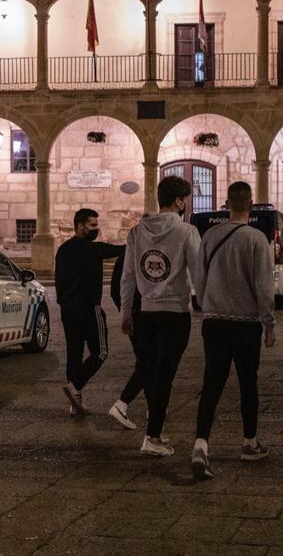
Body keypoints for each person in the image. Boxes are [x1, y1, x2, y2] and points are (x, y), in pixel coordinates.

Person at [189, 181, 277, 480]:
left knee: (212, 383)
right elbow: (265, 287)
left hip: (214, 321)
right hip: (245, 324)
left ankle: (201, 444)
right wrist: (269, 323)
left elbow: (198, 280)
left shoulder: (209, 236)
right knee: (247, 383)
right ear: (250, 205)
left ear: (227, 204)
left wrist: (207, 304)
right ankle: (249, 443)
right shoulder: (257, 239)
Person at [120, 175, 201, 457]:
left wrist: (126, 312)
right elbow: (199, 275)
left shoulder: (136, 232)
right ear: (179, 201)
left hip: (145, 312)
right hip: (175, 312)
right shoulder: (187, 233)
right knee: (163, 375)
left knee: (152, 371)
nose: (186, 205)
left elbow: (128, 276)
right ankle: (152, 436)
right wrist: (206, 305)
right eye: (185, 201)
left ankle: (153, 429)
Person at [54, 208, 125, 415]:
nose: (96, 229)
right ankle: (75, 385)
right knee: (100, 351)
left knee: (73, 354)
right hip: (89, 309)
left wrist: (63, 302)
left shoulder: (63, 250)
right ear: (80, 226)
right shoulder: (92, 249)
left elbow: (60, 281)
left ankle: (74, 403)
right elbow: (120, 250)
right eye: (93, 225)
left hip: (67, 310)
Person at [107, 241, 144, 430]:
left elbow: (115, 290)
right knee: (149, 364)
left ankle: (154, 409)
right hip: (146, 316)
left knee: (145, 362)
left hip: (134, 316)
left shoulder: (126, 255)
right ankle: (122, 404)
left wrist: (126, 313)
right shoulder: (141, 252)